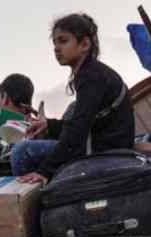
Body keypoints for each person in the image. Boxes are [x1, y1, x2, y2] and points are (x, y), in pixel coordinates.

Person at [13, 13, 134, 183]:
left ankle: (29, 197)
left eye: (63, 41)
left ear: (84, 44)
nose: (56, 48)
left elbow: (78, 130)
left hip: (106, 151)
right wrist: (49, 125)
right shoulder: (92, 72)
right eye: (55, 43)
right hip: (105, 144)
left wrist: (45, 171)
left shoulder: (91, 76)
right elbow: (81, 123)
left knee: (22, 151)